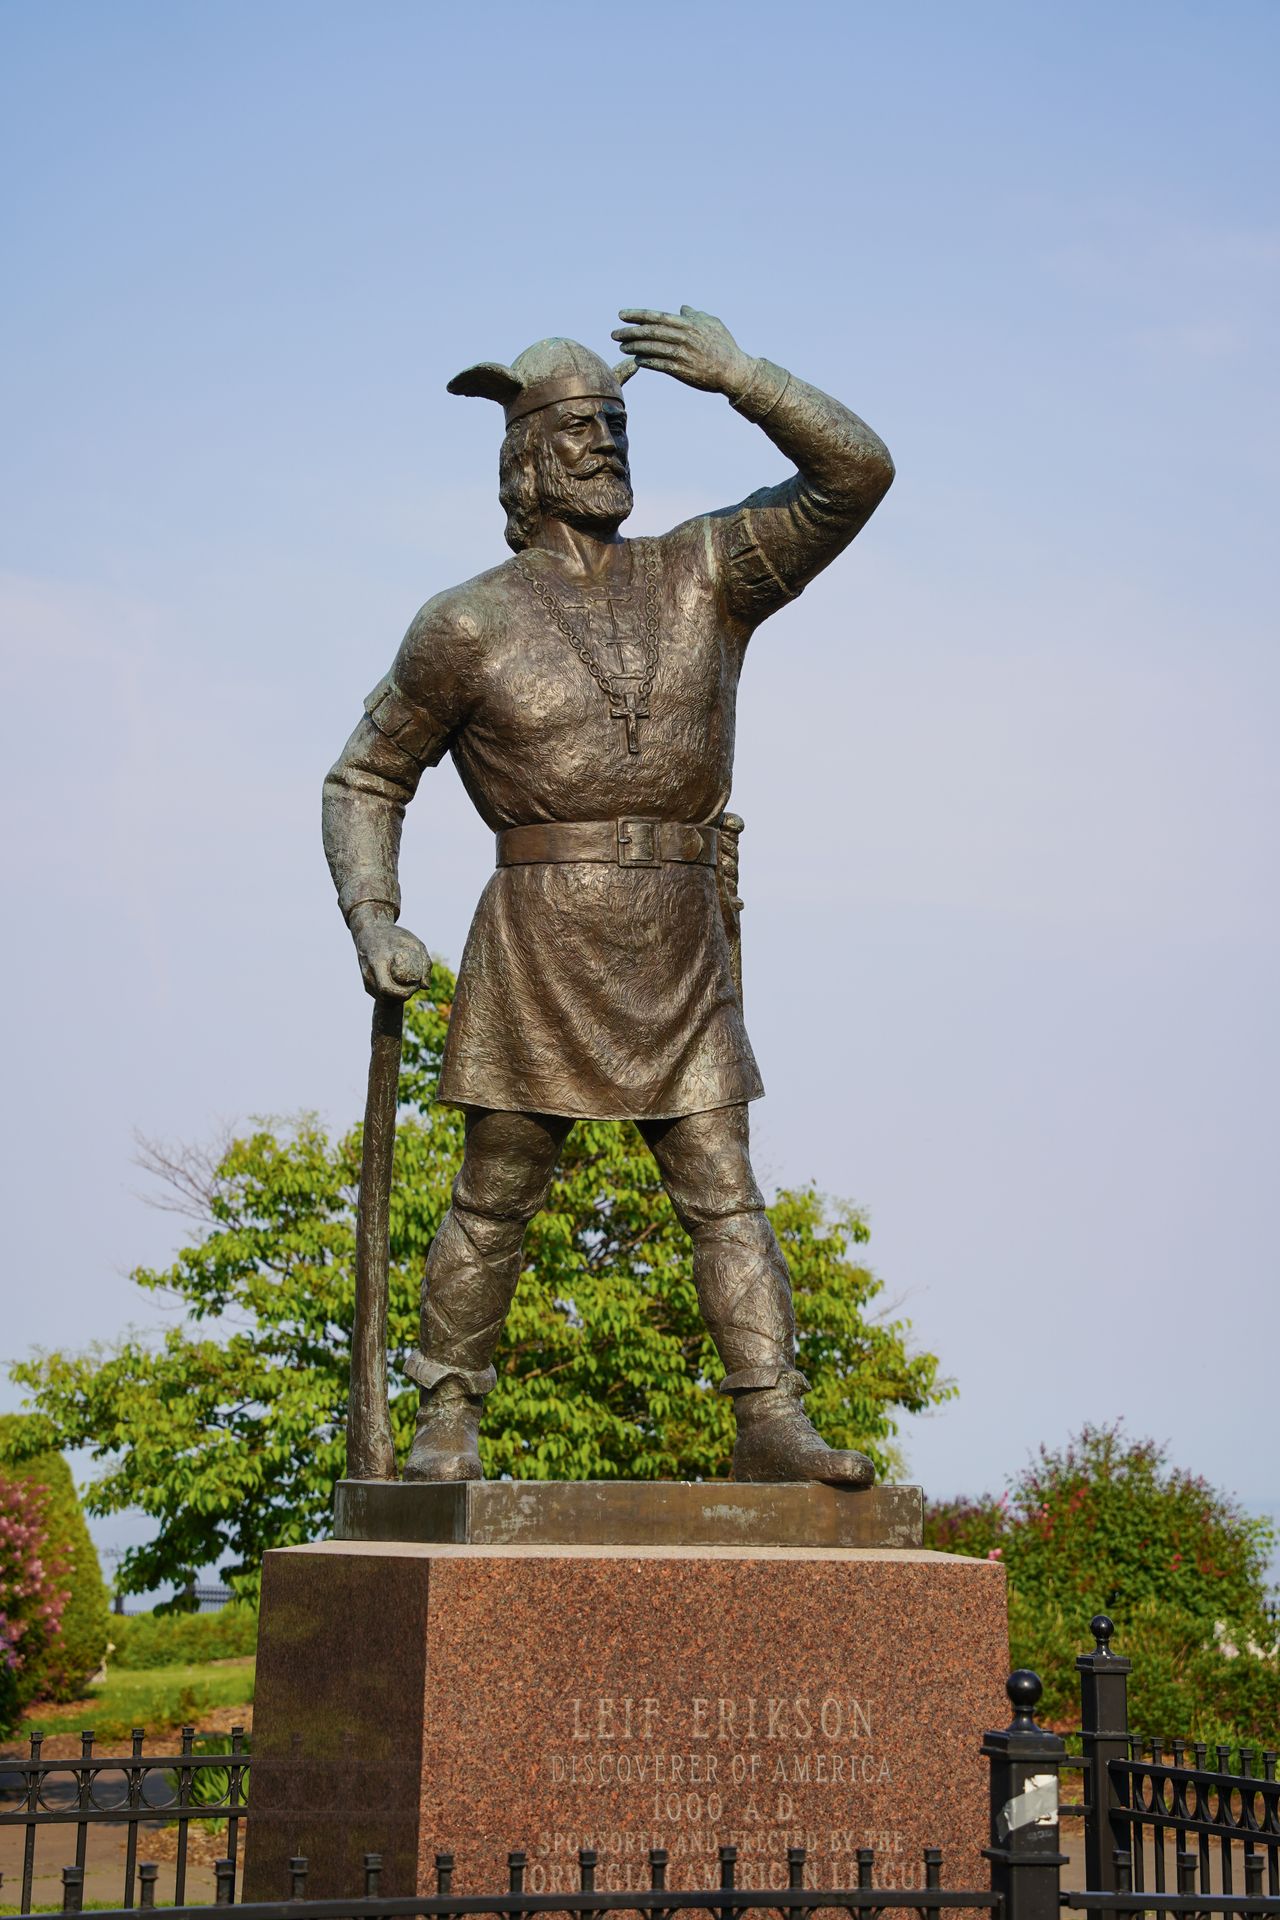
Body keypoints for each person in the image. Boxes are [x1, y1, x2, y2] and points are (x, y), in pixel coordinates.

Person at [322, 305, 895, 1484]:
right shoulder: (466, 622)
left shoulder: (705, 571)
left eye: (617, 426)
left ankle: (768, 1419)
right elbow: (365, 777)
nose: (605, 446)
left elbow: (856, 471)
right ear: (525, 460)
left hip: (679, 927)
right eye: (578, 429)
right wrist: (372, 917)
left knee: (721, 1188)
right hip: (540, 932)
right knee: (497, 1190)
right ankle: (447, 1418)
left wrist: (743, 378)